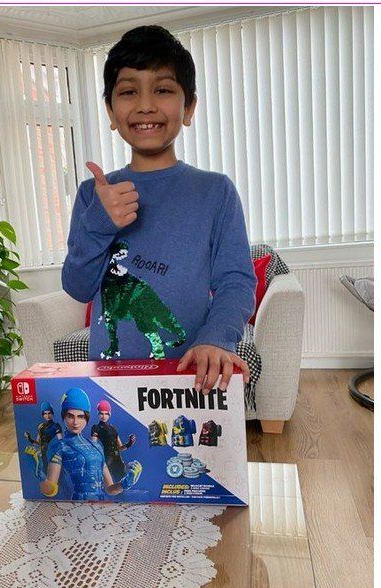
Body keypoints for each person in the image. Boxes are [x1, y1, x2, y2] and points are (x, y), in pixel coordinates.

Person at [62, 25, 255, 396]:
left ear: (189, 107)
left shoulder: (216, 191)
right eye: (128, 91)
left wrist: (217, 337)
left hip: (192, 377)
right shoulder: (94, 194)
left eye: (163, 89)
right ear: (111, 112)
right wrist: (99, 223)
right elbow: (78, 287)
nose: (145, 105)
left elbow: (236, 281)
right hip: (110, 382)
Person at [40, 388, 142, 500]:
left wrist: (126, 482)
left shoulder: (96, 447)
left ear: (86, 417)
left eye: (80, 416)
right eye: (70, 416)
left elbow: (110, 489)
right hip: (78, 505)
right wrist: (40, 475)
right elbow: (50, 490)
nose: (75, 422)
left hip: (100, 504)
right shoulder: (60, 447)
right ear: (64, 416)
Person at [91, 399, 136, 481]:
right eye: (101, 413)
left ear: (109, 414)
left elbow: (120, 448)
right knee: (109, 484)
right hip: (107, 460)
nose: (104, 416)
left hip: (118, 460)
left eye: (106, 414)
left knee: (124, 483)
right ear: (98, 414)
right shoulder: (96, 428)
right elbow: (94, 446)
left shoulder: (113, 428)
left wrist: (129, 443)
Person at [24, 401, 62, 477]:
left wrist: (54, 451)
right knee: (41, 471)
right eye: (45, 413)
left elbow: (60, 441)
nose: (47, 415)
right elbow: (37, 442)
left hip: (50, 451)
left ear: (52, 413)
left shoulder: (56, 426)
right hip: (42, 451)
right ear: (43, 415)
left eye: (49, 413)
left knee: (48, 472)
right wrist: (29, 438)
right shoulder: (41, 426)